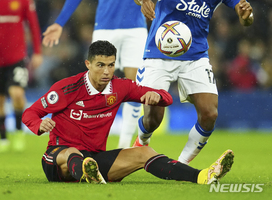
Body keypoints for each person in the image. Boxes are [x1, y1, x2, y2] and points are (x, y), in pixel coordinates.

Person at [22, 40, 234, 184]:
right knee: (72, 153)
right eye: (100, 65)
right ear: (88, 64)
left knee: (144, 152)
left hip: (95, 159)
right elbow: (30, 113)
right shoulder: (67, 88)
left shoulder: (120, 87)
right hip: (57, 158)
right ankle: (87, 175)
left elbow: (166, 96)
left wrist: (158, 97)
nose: (106, 71)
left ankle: (203, 176)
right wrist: (38, 125)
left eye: (111, 65)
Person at [132, 0, 253, 165]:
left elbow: (245, 15)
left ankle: (181, 165)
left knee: (210, 114)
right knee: (153, 118)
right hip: (159, 52)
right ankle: (141, 141)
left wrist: (246, 16)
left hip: (196, 56)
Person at [42, 0, 148, 148]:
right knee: (94, 85)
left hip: (136, 28)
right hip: (105, 27)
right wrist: (60, 22)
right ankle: (86, 141)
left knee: (135, 85)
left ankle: (123, 146)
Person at [0, 0, 43, 152]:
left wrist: (38, 52)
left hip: (17, 58)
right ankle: (3, 139)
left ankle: (18, 132)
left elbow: (33, 25)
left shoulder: (23, 1)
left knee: (17, 93)